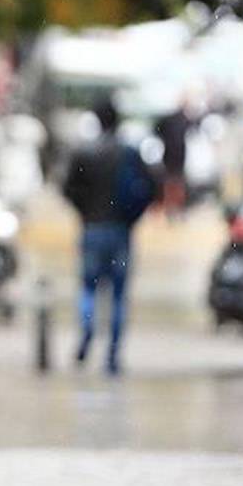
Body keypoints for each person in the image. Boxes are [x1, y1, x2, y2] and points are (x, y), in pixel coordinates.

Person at [61, 97, 155, 375]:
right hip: (120, 231)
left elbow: (67, 189)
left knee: (89, 288)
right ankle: (112, 356)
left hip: (92, 229)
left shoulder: (84, 153)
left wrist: (85, 212)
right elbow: (150, 188)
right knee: (118, 295)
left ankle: (88, 332)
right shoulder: (130, 153)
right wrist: (131, 217)